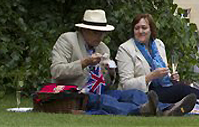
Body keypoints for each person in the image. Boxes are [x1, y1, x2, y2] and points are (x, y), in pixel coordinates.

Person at [51, 9, 188, 116]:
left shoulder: (102, 48)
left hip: (99, 91)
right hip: (75, 93)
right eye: (96, 32)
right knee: (106, 101)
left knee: (134, 94)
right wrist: (84, 62)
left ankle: (166, 109)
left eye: (102, 33)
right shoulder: (68, 40)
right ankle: (143, 111)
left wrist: (110, 73)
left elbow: (107, 84)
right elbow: (56, 71)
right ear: (84, 30)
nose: (100, 37)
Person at [116, 13, 199, 116]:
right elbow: (126, 84)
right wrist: (150, 76)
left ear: (151, 29)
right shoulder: (126, 49)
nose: (140, 31)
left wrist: (171, 76)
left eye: (144, 28)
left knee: (188, 89)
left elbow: (163, 73)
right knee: (182, 90)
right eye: (137, 28)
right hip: (143, 93)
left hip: (162, 86)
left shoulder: (158, 45)